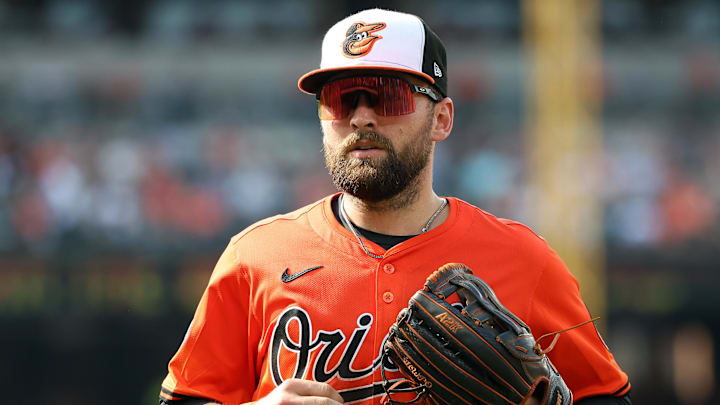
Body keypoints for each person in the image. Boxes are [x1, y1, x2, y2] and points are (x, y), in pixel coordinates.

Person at [159, 8, 631, 405]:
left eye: (388, 95)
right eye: (341, 99)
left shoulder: (526, 261)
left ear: (441, 119)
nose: (361, 115)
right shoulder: (254, 258)